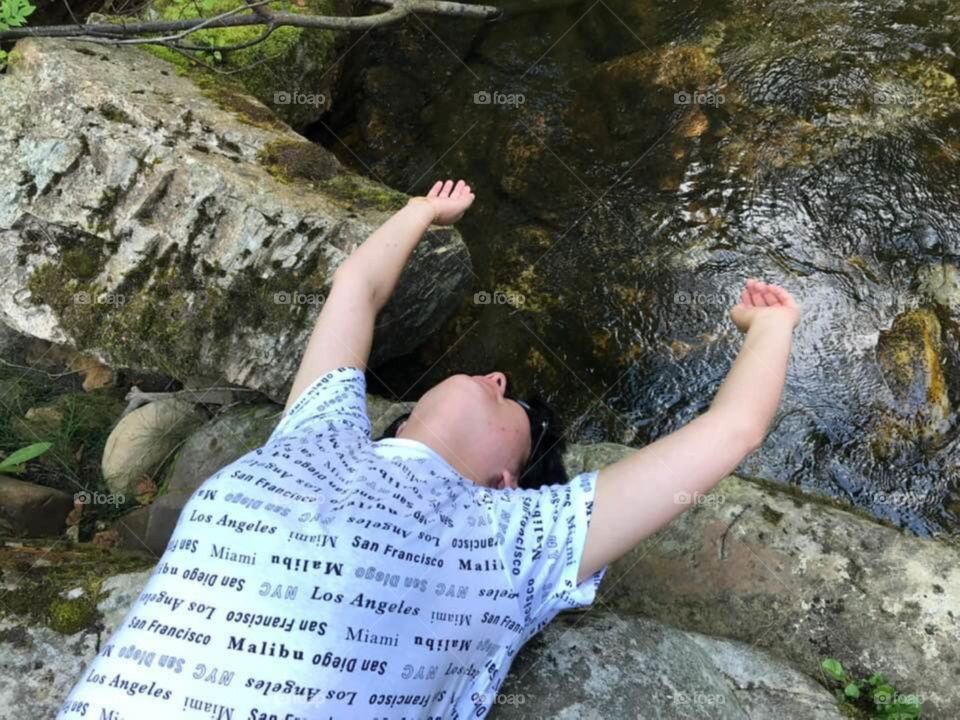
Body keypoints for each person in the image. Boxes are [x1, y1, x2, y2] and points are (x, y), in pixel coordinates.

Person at [57, 179, 800, 720]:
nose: (498, 375)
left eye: (513, 404)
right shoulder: (318, 434)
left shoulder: (516, 538)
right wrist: (422, 213)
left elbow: (732, 431)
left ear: (508, 480)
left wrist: (770, 331)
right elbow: (356, 289)